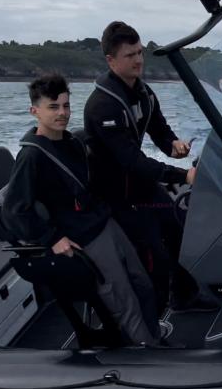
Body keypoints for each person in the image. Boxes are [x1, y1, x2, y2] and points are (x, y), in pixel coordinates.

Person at [2, 73, 161, 346]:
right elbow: (14, 211)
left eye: (66, 106)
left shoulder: (73, 142)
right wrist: (52, 238)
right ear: (34, 111)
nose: (62, 113)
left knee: (143, 285)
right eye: (53, 107)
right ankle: (148, 354)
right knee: (124, 300)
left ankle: (156, 338)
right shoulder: (31, 156)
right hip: (84, 237)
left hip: (104, 222)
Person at [84, 21, 207, 313]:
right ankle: (152, 320)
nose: (138, 60)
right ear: (111, 60)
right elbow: (131, 160)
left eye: (140, 52)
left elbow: (159, 129)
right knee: (154, 253)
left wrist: (174, 145)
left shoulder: (143, 92)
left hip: (139, 186)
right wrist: (184, 175)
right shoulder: (103, 106)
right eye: (130, 55)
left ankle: (183, 297)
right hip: (115, 196)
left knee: (177, 229)